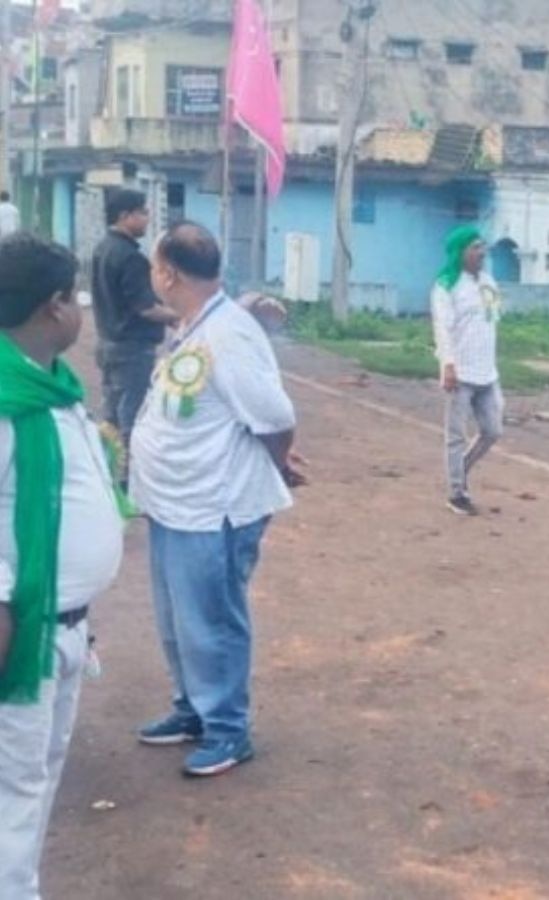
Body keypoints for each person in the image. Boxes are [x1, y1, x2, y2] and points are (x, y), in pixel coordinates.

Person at [130, 222, 300, 778]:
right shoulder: (196, 324)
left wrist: (276, 464)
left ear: (167, 273)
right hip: (175, 502)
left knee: (212, 621)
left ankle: (228, 729)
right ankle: (193, 710)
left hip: (214, 507)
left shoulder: (228, 333)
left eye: (155, 265)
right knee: (178, 620)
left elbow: (274, 418)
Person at [0, 233, 124, 898]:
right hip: (21, 631)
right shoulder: (4, 396)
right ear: (52, 309)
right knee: (12, 789)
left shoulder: (51, 387)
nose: (81, 308)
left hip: (66, 626)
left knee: (37, 776)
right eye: (74, 296)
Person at [91, 189, 179, 458]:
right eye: (142, 213)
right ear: (124, 216)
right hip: (132, 348)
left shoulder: (102, 248)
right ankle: (129, 474)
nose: (147, 218)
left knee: (111, 415)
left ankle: (111, 469)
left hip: (107, 342)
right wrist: (181, 317)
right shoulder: (131, 257)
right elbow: (147, 309)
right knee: (133, 415)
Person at [431, 225, 502, 517]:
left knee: (493, 431)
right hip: (460, 373)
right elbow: (442, 328)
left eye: (482, 246)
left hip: (488, 372)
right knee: (455, 435)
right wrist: (447, 365)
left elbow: (491, 321)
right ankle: (457, 493)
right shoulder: (446, 286)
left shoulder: (488, 282)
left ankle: (461, 470)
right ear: (460, 253)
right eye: (474, 247)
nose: (481, 252)